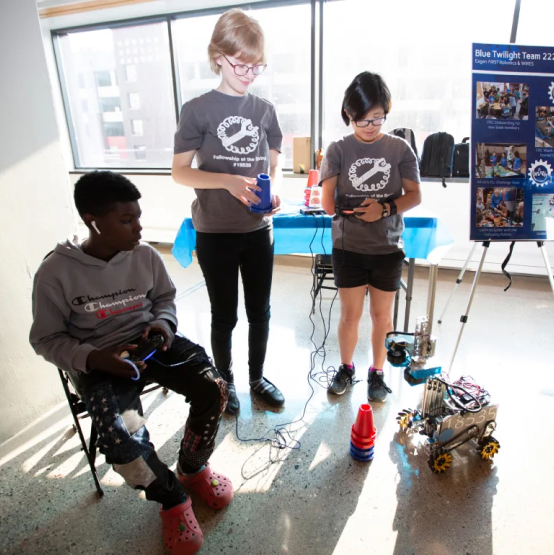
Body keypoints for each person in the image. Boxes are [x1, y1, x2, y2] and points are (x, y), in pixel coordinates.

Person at [29, 172, 232, 555]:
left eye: (139, 217)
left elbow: (165, 299)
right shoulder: (55, 272)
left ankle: (192, 469)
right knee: (123, 441)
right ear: (93, 221)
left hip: (151, 343)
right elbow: (46, 339)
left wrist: (161, 324)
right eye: (127, 221)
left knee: (213, 386)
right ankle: (172, 498)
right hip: (99, 360)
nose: (139, 228)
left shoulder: (145, 255)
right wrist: (92, 358)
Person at [171, 9, 285, 414]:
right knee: (225, 316)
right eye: (241, 64)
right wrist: (225, 180)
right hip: (215, 231)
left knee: (261, 312)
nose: (249, 74)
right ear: (217, 56)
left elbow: (274, 164)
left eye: (257, 66)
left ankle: (256, 377)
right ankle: (226, 382)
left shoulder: (265, 110)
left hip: (258, 228)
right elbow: (179, 172)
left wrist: (275, 191)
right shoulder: (197, 110)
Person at [320, 71, 421, 402]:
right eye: (362, 120)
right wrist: (346, 209)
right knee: (350, 315)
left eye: (377, 118)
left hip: (387, 247)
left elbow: (414, 195)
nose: (370, 126)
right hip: (348, 247)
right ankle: (346, 368)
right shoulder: (337, 149)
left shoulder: (399, 148)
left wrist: (385, 209)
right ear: (348, 114)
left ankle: (376, 373)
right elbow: (326, 203)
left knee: (382, 316)